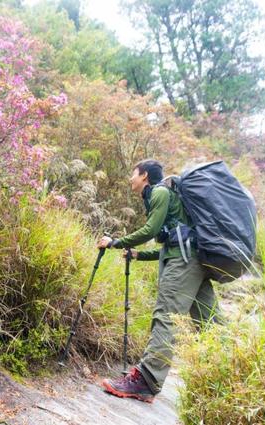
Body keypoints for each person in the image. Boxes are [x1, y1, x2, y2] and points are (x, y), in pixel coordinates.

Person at [97, 159, 223, 403]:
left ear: (144, 175)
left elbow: (150, 230)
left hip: (183, 264)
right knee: (211, 323)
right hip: (193, 262)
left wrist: (115, 242)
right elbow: (169, 244)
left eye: (133, 174)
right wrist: (138, 255)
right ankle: (230, 376)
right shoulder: (167, 198)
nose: (130, 179)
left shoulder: (160, 192)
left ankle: (146, 380)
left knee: (166, 316)